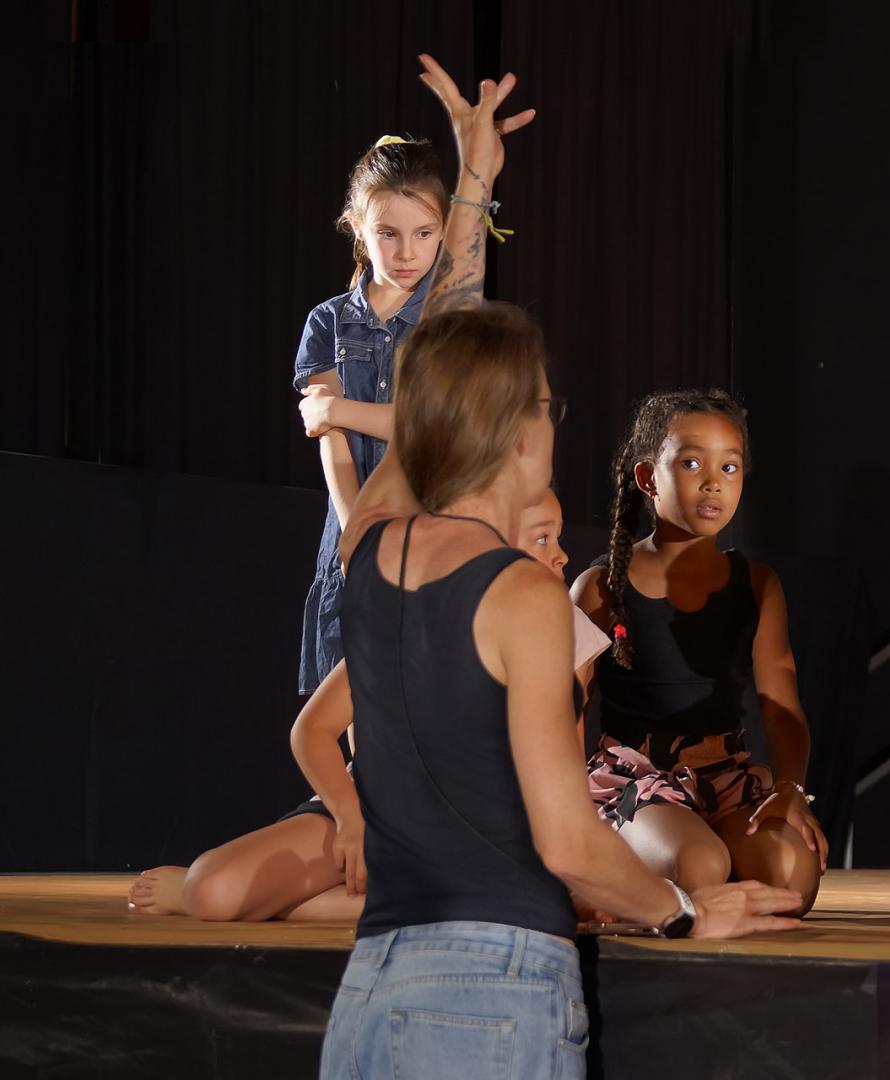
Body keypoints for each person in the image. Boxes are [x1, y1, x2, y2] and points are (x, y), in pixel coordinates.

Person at [311, 56, 801, 1080]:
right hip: (490, 990)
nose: (553, 420)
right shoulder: (521, 594)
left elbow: (436, 365)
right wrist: (681, 912)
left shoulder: (372, 548)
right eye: (545, 404)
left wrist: (475, 185)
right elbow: (570, 844)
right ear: (514, 430)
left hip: (371, 990)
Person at [125, 490, 602, 922]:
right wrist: (350, 820)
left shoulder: (567, 631)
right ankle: (219, 891)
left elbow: (562, 771)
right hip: (376, 812)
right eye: (542, 538)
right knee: (212, 892)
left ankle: (302, 903)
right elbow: (312, 731)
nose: (562, 553)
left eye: (558, 537)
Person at [570, 389, 827, 916]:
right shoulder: (599, 586)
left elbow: (781, 704)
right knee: (701, 867)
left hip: (725, 779)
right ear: (648, 478)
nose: (713, 482)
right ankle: (626, 863)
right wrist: (570, 813)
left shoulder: (757, 583)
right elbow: (566, 707)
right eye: (691, 463)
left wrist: (789, 788)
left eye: (729, 467)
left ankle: (693, 872)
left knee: (791, 882)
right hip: (638, 780)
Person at [293, 136, 447, 694]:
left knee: (424, 697)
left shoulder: (451, 321)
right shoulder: (327, 322)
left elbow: (431, 428)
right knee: (353, 696)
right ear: (357, 227)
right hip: (350, 531)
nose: (407, 252)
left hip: (433, 530)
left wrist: (335, 407)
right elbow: (328, 437)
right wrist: (356, 527)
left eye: (423, 233)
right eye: (388, 233)